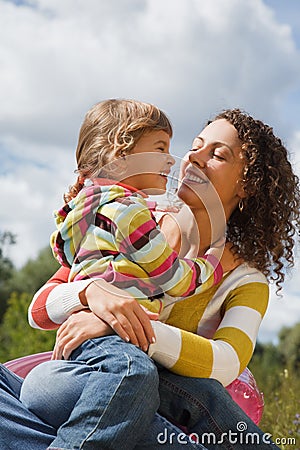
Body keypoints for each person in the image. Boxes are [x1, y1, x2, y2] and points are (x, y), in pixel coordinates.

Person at [1, 107, 299, 449]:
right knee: (47, 386)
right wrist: (91, 295)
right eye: (196, 146)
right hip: (81, 376)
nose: (193, 158)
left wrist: (123, 323)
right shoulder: (132, 219)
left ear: (248, 183)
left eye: (217, 154)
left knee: (171, 405)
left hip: (147, 400)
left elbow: (226, 362)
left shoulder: (246, 279)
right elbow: (40, 309)